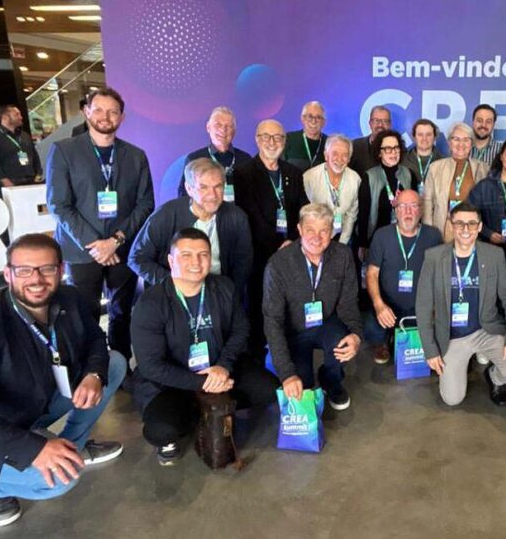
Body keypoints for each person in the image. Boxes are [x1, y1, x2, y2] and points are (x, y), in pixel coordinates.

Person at [0, 234, 125, 527]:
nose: (36, 279)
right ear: (8, 274)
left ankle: (71, 447)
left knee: (114, 364)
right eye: (24, 270)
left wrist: (94, 374)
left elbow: (95, 338)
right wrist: (34, 449)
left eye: (46, 269)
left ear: (61, 270)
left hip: (34, 400)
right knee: (58, 480)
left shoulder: (70, 298)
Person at [130, 228, 276, 466]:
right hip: (171, 381)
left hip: (218, 367)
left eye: (203, 255)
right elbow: (151, 366)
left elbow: (241, 330)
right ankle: (196, 414)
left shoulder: (225, 287)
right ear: (171, 261)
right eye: (186, 255)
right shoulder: (151, 303)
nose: (196, 262)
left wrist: (223, 366)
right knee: (161, 430)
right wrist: (203, 383)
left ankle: (211, 410)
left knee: (268, 390)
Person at [46, 87, 154, 361]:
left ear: (122, 117)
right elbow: (59, 204)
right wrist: (96, 245)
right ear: (87, 112)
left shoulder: (136, 155)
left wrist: (115, 241)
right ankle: (91, 369)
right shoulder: (64, 151)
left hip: (122, 248)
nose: (106, 117)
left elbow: (145, 203)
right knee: (84, 314)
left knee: (122, 312)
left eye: (113, 112)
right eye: (99, 110)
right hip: (82, 251)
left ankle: (121, 365)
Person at [415, 202, 506, 406]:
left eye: (471, 223)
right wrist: (430, 350)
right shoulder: (434, 257)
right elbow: (423, 306)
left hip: (486, 330)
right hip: (452, 336)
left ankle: (494, 377)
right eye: (459, 223)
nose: (466, 229)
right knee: (452, 399)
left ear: (480, 226)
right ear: (451, 225)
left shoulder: (494, 255)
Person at [264, 204, 363, 410]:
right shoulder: (278, 264)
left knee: (342, 342)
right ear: (299, 229)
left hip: (326, 323)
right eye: (310, 230)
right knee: (303, 387)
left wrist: (356, 334)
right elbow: (272, 321)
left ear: (332, 231)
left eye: (323, 231)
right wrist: (287, 374)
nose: (317, 237)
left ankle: (331, 379)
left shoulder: (343, 256)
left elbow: (348, 303)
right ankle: (303, 375)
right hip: (293, 331)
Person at [233, 119, 309, 357]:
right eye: (267, 136)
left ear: (284, 141)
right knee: (259, 305)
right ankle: (257, 356)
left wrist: (294, 239)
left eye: (278, 137)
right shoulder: (244, 173)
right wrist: (279, 244)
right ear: (257, 140)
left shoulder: (293, 173)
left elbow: (303, 209)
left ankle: (288, 354)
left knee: (289, 304)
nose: (272, 142)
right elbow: (250, 215)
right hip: (260, 254)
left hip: (292, 251)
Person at [129, 158, 253, 300]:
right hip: (173, 294)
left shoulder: (237, 217)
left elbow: (243, 263)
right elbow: (137, 258)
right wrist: (173, 284)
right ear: (189, 189)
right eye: (204, 187)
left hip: (219, 294)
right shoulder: (166, 215)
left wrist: (229, 295)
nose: (212, 195)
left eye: (218, 187)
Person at [365, 189, 443, 364]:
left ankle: (405, 334)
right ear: (396, 211)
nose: (408, 211)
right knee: (371, 324)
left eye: (413, 206)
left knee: (441, 327)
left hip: (420, 305)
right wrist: (379, 305)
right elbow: (372, 273)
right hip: (389, 304)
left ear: (421, 211)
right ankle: (383, 341)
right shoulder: (382, 235)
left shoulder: (433, 235)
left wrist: (435, 305)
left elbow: (440, 274)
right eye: (402, 206)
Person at [422, 122, 490, 242]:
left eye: (466, 140)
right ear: (449, 142)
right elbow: (427, 201)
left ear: (471, 143)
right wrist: (428, 231)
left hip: (472, 227)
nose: (461, 144)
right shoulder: (435, 167)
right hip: (444, 226)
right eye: (456, 139)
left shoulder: (483, 168)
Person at [356, 129, 414, 259]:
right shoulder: (369, 176)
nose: (393, 152)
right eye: (387, 149)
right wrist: (363, 244)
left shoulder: (409, 174)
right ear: (379, 153)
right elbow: (363, 213)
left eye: (396, 148)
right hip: (376, 241)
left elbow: (416, 209)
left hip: (405, 240)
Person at [175, 107, 252, 201]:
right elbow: (184, 196)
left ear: (234, 131)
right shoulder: (195, 159)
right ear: (208, 127)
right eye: (218, 125)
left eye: (229, 126)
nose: (223, 130)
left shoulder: (246, 159)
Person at [303, 134, 361, 245]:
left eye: (345, 155)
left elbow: (351, 215)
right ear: (326, 155)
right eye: (335, 154)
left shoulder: (355, 179)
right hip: (313, 237)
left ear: (349, 159)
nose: (339, 159)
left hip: (341, 236)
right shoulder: (309, 178)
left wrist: (342, 243)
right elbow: (303, 215)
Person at [0, 104, 43, 194]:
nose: (21, 117)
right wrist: (4, 181)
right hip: (11, 182)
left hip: (31, 180)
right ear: (5, 117)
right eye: (16, 114)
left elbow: (34, 156)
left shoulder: (24, 135)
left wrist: (38, 173)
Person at [401, 118, 446, 193]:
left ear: (435, 137)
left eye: (428, 134)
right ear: (414, 137)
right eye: (420, 134)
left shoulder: (444, 162)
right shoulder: (403, 161)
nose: (424, 138)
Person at [283, 100, 329, 172]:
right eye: (310, 116)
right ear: (302, 118)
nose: (313, 121)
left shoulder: (330, 143)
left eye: (318, 117)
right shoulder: (288, 139)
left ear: (324, 122)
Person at [349, 105, 392, 175]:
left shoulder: (398, 148)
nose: (380, 125)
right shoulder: (355, 146)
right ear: (370, 123)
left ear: (390, 125)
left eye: (385, 121)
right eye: (376, 121)